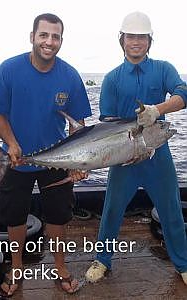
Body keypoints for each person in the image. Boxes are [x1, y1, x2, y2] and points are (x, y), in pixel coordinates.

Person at [0, 13, 92, 296]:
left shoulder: (70, 76)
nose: (49, 42)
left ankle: (60, 267)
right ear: (32, 36)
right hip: (17, 159)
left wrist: (79, 163)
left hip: (57, 162)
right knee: (14, 217)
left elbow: (79, 127)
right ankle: (17, 268)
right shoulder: (9, 70)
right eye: (43, 35)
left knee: (58, 217)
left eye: (55, 36)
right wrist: (11, 143)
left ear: (61, 41)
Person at [85, 11, 187, 285]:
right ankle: (102, 260)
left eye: (142, 37)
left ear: (149, 40)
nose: (136, 42)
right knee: (112, 209)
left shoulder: (163, 69)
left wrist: (158, 109)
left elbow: (183, 93)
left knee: (171, 210)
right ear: (122, 40)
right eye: (131, 36)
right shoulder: (112, 79)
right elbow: (106, 124)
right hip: (124, 157)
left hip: (157, 154)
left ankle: (184, 264)